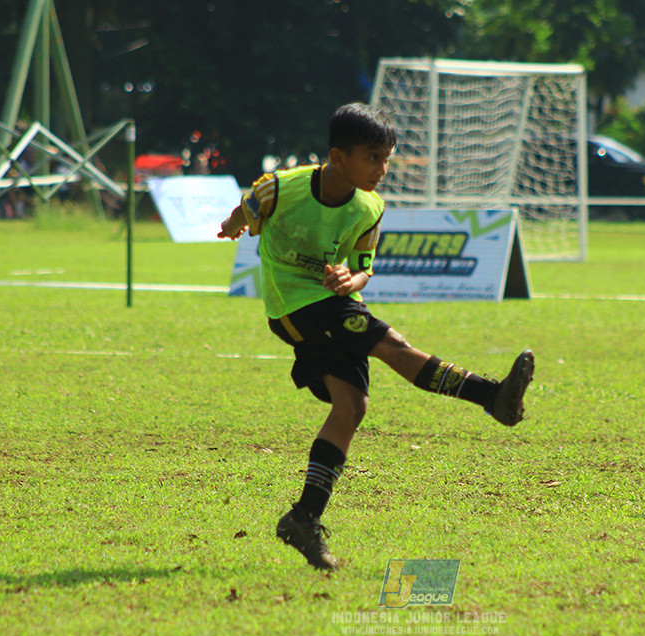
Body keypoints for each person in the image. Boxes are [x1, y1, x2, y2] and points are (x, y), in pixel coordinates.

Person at [217, 102, 535, 570]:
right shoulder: (281, 189)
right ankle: (490, 396)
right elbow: (245, 212)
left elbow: (364, 268)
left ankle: (303, 518)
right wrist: (231, 227)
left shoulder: (369, 207)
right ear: (338, 157)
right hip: (291, 304)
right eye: (373, 158)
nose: (382, 169)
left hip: (337, 302)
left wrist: (350, 278)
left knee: (352, 407)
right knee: (392, 346)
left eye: (387, 158)